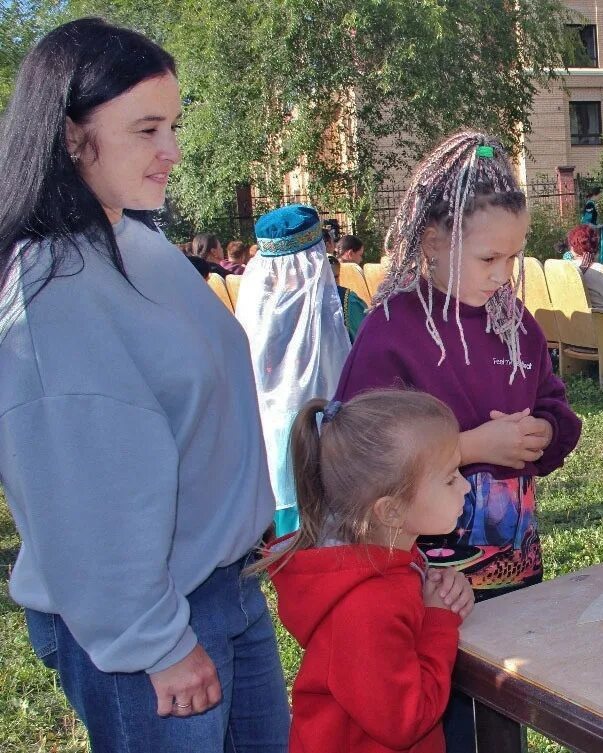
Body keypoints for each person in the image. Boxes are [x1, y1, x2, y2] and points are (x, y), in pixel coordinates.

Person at [0, 18, 289, 751]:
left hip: (222, 589)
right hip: (155, 623)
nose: (173, 151)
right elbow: (84, 491)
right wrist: (152, 641)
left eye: (174, 125)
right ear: (71, 136)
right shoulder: (54, 287)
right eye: (147, 128)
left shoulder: (132, 241)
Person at [334, 131, 582, 753]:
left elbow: (554, 403)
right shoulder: (393, 329)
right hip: (428, 584)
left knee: (503, 716)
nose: (502, 277)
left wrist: (544, 432)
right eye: (487, 260)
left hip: (514, 569)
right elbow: (363, 456)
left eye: (513, 259)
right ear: (432, 242)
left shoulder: (513, 321)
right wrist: (472, 448)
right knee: (440, 723)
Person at [257, 390, 474, 753]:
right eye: (451, 478)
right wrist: (439, 621)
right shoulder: (366, 603)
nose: (466, 486)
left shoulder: (391, 562)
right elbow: (406, 721)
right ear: (390, 512)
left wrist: (442, 591)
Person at [235, 204, 351, 536]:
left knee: (285, 537)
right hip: (328, 427)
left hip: (270, 428)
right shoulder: (340, 305)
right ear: (319, 251)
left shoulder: (254, 308)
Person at [328, 253, 369, 342]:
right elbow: (365, 337)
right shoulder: (347, 298)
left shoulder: (295, 300)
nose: (333, 282)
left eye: (336, 277)